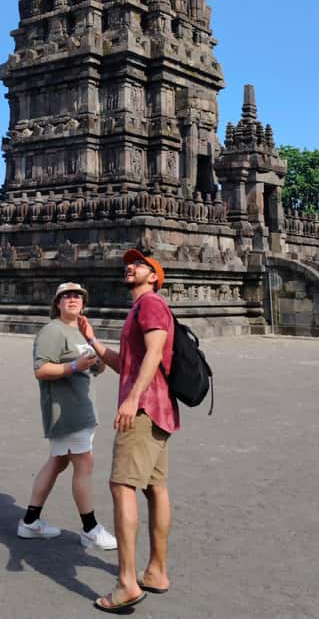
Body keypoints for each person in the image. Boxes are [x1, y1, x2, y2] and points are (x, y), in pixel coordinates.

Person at [78, 250, 179, 614]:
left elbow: (154, 354)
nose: (130, 266)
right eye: (130, 263)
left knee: (122, 486)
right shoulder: (140, 309)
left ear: (154, 276)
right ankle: (156, 572)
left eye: (139, 264)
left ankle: (126, 582)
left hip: (143, 409)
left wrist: (131, 399)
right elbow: (127, 363)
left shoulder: (150, 304)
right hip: (160, 410)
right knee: (155, 488)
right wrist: (93, 340)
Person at [17, 281, 117, 551]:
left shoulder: (80, 331)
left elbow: (94, 369)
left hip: (80, 406)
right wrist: (73, 366)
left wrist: (96, 362)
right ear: (57, 303)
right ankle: (90, 528)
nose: (72, 299)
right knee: (84, 465)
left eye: (77, 296)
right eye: (66, 296)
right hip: (68, 411)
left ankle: (30, 521)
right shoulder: (53, 330)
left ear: (83, 303)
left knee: (58, 462)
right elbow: (41, 369)